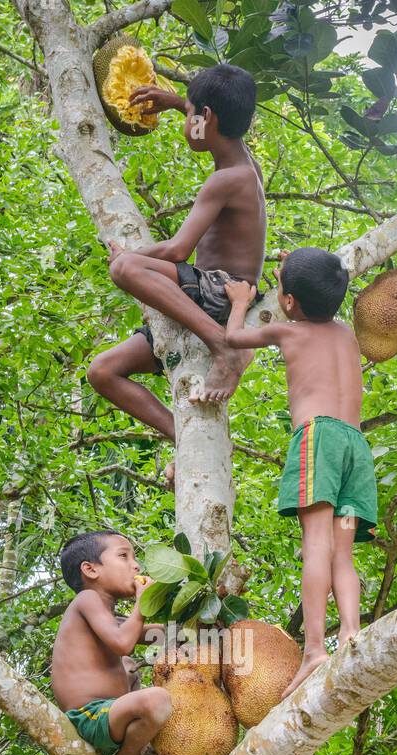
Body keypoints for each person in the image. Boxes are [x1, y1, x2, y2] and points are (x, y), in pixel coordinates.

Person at [87, 62, 267, 459]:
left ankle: (222, 346)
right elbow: (210, 119)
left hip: (221, 291)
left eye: (191, 114)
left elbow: (176, 251)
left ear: (207, 119)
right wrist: (174, 103)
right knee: (102, 371)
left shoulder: (225, 179)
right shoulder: (244, 163)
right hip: (203, 294)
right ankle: (182, 435)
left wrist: (129, 255)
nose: (185, 120)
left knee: (125, 268)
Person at [223, 248, 378, 696]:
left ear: (288, 302)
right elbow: (316, 291)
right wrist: (298, 272)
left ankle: (314, 649)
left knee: (316, 543)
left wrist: (238, 300)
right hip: (355, 450)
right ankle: (351, 630)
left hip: (319, 442)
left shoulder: (288, 334)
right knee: (341, 552)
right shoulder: (347, 333)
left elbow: (234, 337)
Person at [50, 530, 172, 755]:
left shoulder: (107, 615)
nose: (136, 565)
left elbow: (153, 635)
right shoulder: (87, 600)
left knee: (131, 669)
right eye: (123, 556)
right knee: (158, 699)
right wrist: (143, 603)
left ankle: (133, 747)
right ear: (91, 570)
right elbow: (123, 643)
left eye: (134, 557)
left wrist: (194, 627)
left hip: (113, 718)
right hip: (90, 717)